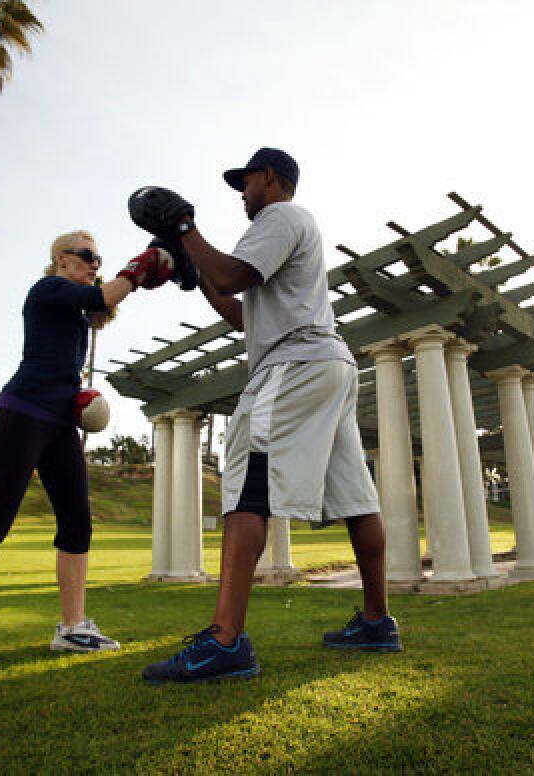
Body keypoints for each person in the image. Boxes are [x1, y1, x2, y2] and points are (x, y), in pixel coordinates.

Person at [139, 148, 400, 685]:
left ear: (272, 180)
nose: (242, 191)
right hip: (325, 366)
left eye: (247, 180)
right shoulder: (286, 232)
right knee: (355, 497)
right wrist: (194, 272)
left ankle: (226, 642)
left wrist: (187, 229)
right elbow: (240, 312)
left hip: (292, 367)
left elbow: (233, 274)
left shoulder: (280, 216)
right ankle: (376, 621)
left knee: (243, 487)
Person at [0, 231, 174, 680]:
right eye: (86, 256)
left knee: (77, 522)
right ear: (60, 259)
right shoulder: (46, 289)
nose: (92, 263)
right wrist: (143, 264)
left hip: (61, 420)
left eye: (97, 258)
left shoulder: (79, 311)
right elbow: (104, 297)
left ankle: (72, 627)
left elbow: (103, 305)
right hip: (23, 412)